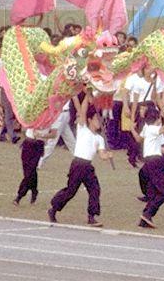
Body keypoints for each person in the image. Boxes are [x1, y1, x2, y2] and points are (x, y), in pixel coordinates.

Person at [48, 90, 113, 227]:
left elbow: (101, 155)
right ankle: (54, 208)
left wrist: (108, 155)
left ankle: (92, 216)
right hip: (78, 164)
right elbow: (83, 111)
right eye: (96, 119)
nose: (98, 122)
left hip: (88, 166)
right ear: (90, 120)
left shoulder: (99, 138)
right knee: (71, 191)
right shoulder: (83, 128)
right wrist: (87, 95)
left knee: (95, 189)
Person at [131, 103, 164, 228]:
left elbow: (159, 148)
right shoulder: (151, 128)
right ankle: (147, 214)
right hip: (154, 162)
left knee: (155, 192)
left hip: (153, 161)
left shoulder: (152, 131)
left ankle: (145, 218)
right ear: (156, 119)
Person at [14, 126, 57, 206]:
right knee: (29, 171)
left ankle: (19, 196)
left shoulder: (51, 117)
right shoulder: (34, 115)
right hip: (28, 142)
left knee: (30, 172)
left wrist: (41, 135)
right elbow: (25, 127)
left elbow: (54, 134)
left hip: (38, 144)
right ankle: (34, 190)